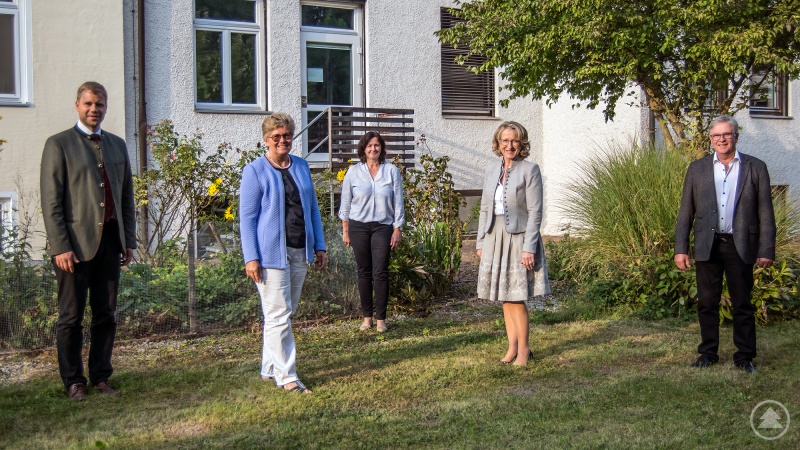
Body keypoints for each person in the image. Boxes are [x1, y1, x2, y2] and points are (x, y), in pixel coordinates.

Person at [40, 82, 136, 400]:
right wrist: (60, 246)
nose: (95, 109)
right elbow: (51, 201)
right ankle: (73, 381)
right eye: (89, 103)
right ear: (77, 105)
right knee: (71, 316)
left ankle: (101, 377)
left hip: (110, 242)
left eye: (100, 104)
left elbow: (126, 197)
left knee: (105, 314)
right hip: (74, 247)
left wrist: (129, 241)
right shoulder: (59, 144)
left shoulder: (118, 145)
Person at [674, 115, 776, 374]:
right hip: (708, 244)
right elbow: (686, 211)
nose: (721, 139)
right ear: (711, 140)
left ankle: (744, 357)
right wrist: (681, 248)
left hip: (740, 245)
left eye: (726, 134)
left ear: (736, 137)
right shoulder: (697, 169)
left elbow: (766, 212)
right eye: (716, 136)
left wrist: (766, 250)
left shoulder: (756, 167)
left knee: (742, 303)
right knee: (707, 303)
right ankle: (708, 353)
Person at [240, 112, 327, 394]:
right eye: (276, 136)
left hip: (300, 248)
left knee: (281, 312)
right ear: (266, 140)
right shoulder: (254, 170)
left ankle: (268, 367)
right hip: (269, 255)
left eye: (286, 135)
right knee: (279, 315)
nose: (282, 140)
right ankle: (287, 376)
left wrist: (320, 245)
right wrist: (250, 257)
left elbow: (312, 209)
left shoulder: (301, 166)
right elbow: (247, 218)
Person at [476, 121, 550, 366]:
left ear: (522, 143)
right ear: (498, 143)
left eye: (514, 140)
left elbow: (535, 212)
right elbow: (485, 208)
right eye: (505, 140)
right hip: (494, 236)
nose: (509, 145)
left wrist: (529, 247)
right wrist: (480, 241)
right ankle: (512, 348)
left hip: (519, 238)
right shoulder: (489, 170)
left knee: (517, 298)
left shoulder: (530, 169)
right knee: (505, 298)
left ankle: (524, 351)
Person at [339, 131, 405, 332]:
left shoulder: (391, 171)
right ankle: (366, 318)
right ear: (363, 149)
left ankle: (381, 320)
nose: (373, 149)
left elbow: (398, 202)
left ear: (381, 148)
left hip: (382, 227)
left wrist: (397, 228)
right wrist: (345, 230)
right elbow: (346, 201)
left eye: (376, 145)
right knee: (364, 272)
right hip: (358, 226)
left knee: (381, 272)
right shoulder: (353, 172)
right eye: (369, 145)